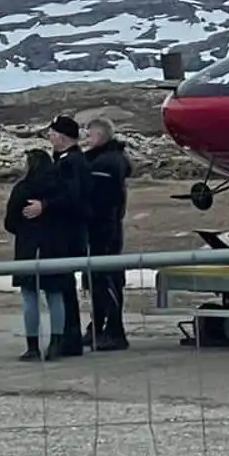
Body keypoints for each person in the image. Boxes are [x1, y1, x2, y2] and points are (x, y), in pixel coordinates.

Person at [21, 115, 93, 358]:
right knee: (63, 289)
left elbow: (72, 198)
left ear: (61, 137)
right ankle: (66, 337)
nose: (49, 137)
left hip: (68, 234)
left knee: (62, 289)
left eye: (52, 133)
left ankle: (68, 338)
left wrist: (46, 206)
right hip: (67, 233)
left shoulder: (71, 163)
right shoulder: (67, 161)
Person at [2, 149, 67, 361]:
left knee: (30, 296)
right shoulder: (58, 187)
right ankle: (56, 342)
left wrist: (24, 230)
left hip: (28, 247)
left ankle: (32, 346)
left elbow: (10, 222)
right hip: (56, 246)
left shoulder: (23, 189)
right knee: (55, 296)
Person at [79, 117, 133, 351]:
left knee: (105, 278)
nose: (86, 139)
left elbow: (99, 200)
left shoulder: (105, 164)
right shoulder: (107, 161)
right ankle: (99, 325)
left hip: (103, 229)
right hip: (106, 227)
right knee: (99, 279)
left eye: (90, 135)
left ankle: (113, 329)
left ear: (99, 136)